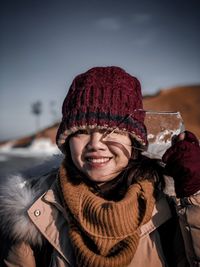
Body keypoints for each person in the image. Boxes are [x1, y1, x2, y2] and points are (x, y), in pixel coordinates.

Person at [0, 66, 200, 267]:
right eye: (82, 131)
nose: (95, 144)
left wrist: (196, 193)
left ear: (134, 142)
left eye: (111, 130)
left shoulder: (174, 203)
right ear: (67, 142)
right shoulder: (32, 212)